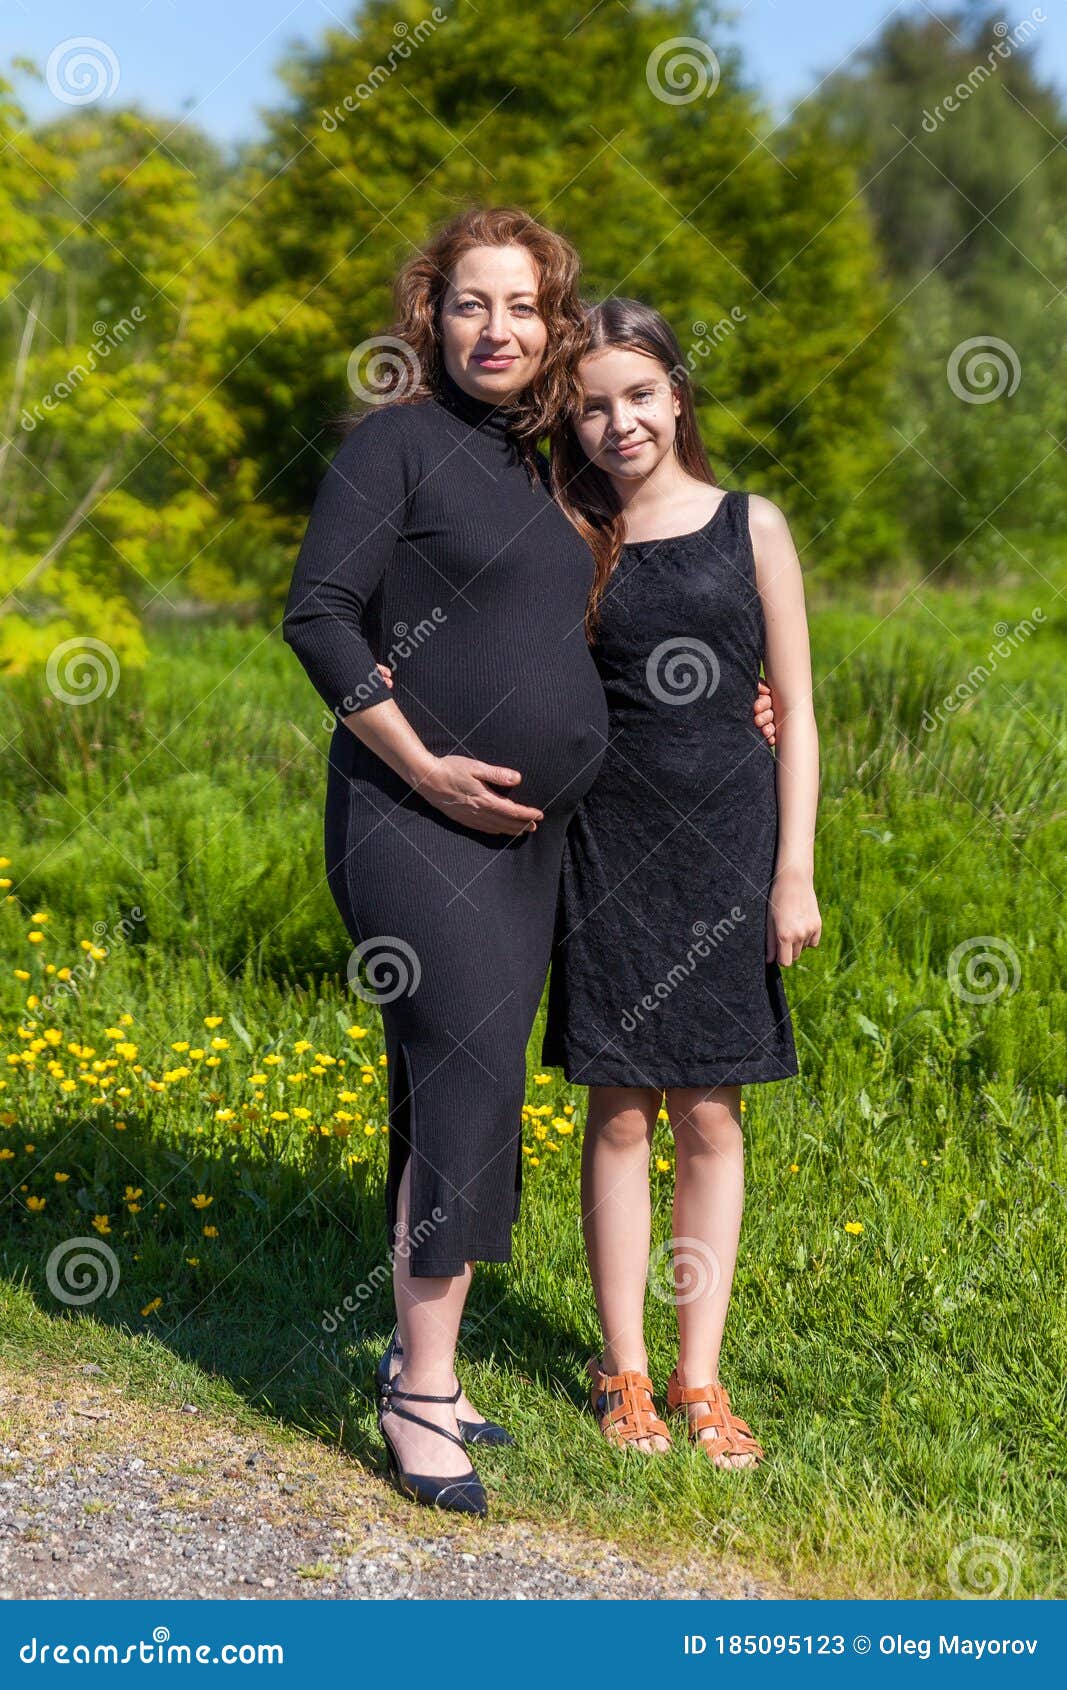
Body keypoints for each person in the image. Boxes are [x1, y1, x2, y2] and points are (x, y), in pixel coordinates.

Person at [284, 209, 776, 1515]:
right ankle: (418, 1394)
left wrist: (739, 698)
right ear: (427, 316)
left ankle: (418, 1355)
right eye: (467, 304)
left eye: (520, 308)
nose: (493, 329)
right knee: (464, 1082)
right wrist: (417, 758)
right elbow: (318, 614)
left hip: (543, 842)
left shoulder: (560, 464)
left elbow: (656, 589)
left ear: (552, 330)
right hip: (409, 815)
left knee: (441, 1085)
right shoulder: (394, 444)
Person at [541, 297, 821, 1469]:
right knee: (616, 1109)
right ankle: (626, 1372)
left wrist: (792, 869)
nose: (619, 422)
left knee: (710, 1109)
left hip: (729, 845)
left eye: (638, 395)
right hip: (606, 844)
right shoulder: (563, 529)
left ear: (675, 395)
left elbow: (796, 709)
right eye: (593, 404)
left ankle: (701, 1375)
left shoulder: (750, 525)